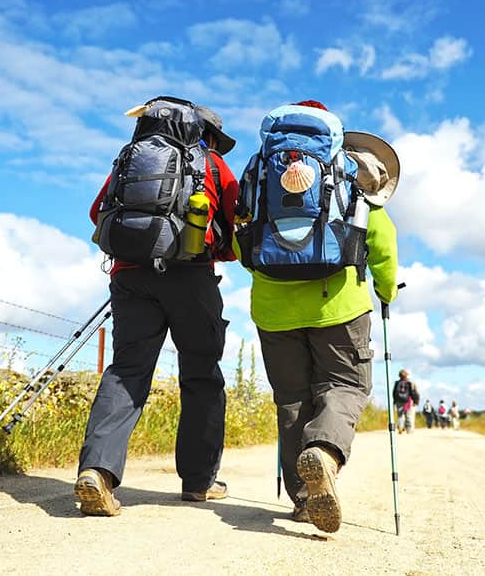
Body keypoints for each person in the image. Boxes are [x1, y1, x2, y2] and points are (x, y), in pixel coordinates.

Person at [239, 101, 399, 533]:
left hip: (273, 310)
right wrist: (384, 291)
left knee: (291, 399)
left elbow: (242, 243)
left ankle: (303, 498)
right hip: (339, 305)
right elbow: (381, 242)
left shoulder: (260, 173)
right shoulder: (347, 174)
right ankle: (325, 453)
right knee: (346, 384)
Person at [74, 99, 239, 516]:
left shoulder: (130, 160)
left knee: (127, 371)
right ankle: (200, 483)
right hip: (191, 278)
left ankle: (97, 471)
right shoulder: (212, 166)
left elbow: (98, 213)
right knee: (202, 374)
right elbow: (234, 229)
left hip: (130, 277)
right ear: (207, 134)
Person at [392, 369, 420, 434]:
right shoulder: (409, 383)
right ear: (406, 375)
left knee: (400, 415)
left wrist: (394, 401)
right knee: (409, 415)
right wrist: (416, 401)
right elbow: (413, 393)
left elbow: (394, 393)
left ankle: (400, 427)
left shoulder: (397, 383)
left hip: (399, 401)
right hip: (408, 401)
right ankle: (409, 430)